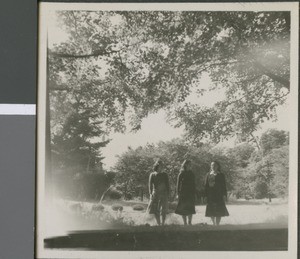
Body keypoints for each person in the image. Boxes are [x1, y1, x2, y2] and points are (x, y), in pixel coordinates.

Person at [205, 161, 229, 226]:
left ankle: (217, 224)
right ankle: (213, 223)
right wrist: (205, 195)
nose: (213, 166)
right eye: (212, 165)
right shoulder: (208, 174)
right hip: (210, 195)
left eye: (215, 165)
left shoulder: (221, 175)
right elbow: (206, 186)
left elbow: (224, 185)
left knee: (219, 209)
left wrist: (224, 195)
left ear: (218, 166)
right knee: (211, 209)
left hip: (219, 194)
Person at [148, 160, 170, 225]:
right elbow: (150, 185)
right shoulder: (152, 175)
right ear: (156, 167)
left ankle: (163, 223)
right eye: (160, 166)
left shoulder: (165, 175)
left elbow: (167, 184)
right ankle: (158, 223)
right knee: (156, 209)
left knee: (164, 209)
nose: (161, 168)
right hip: (156, 193)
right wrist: (150, 193)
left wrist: (168, 193)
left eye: (162, 166)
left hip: (164, 193)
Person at [175, 160, 196, 225]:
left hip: (190, 193)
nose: (190, 165)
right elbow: (178, 185)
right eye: (189, 164)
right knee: (183, 208)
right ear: (185, 165)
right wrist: (177, 194)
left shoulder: (192, 173)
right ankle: (185, 222)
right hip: (183, 193)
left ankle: (189, 222)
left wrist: (194, 193)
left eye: (190, 164)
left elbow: (194, 184)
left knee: (190, 208)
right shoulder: (181, 173)